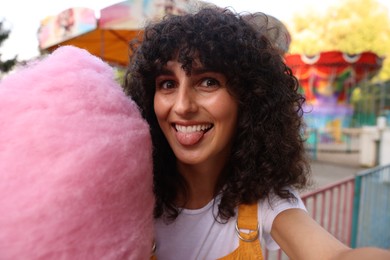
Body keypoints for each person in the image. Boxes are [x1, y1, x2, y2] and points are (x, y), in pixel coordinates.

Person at [124, 7, 390, 260]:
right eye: (167, 84)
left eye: (208, 82)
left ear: (249, 97)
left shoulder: (263, 201)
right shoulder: (126, 191)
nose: (182, 106)